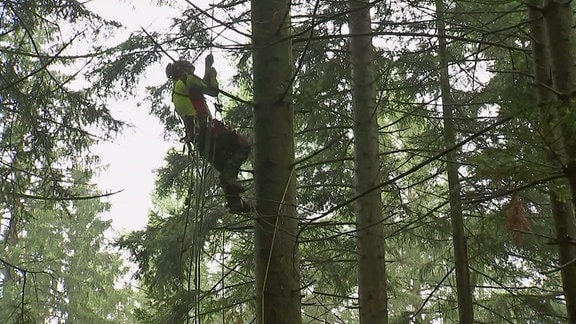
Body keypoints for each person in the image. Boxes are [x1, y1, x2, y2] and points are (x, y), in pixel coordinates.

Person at [165, 55, 251, 213]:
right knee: (244, 144)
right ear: (185, 70)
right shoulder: (187, 80)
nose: (193, 73)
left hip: (201, 141)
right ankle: (230, 184)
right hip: (209, 133)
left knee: (226, 166)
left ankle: (235, 203)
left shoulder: (178, 89)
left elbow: (199, 88)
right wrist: (212, 75)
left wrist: (206, 67)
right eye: (192, 70)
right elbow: (211, 90)